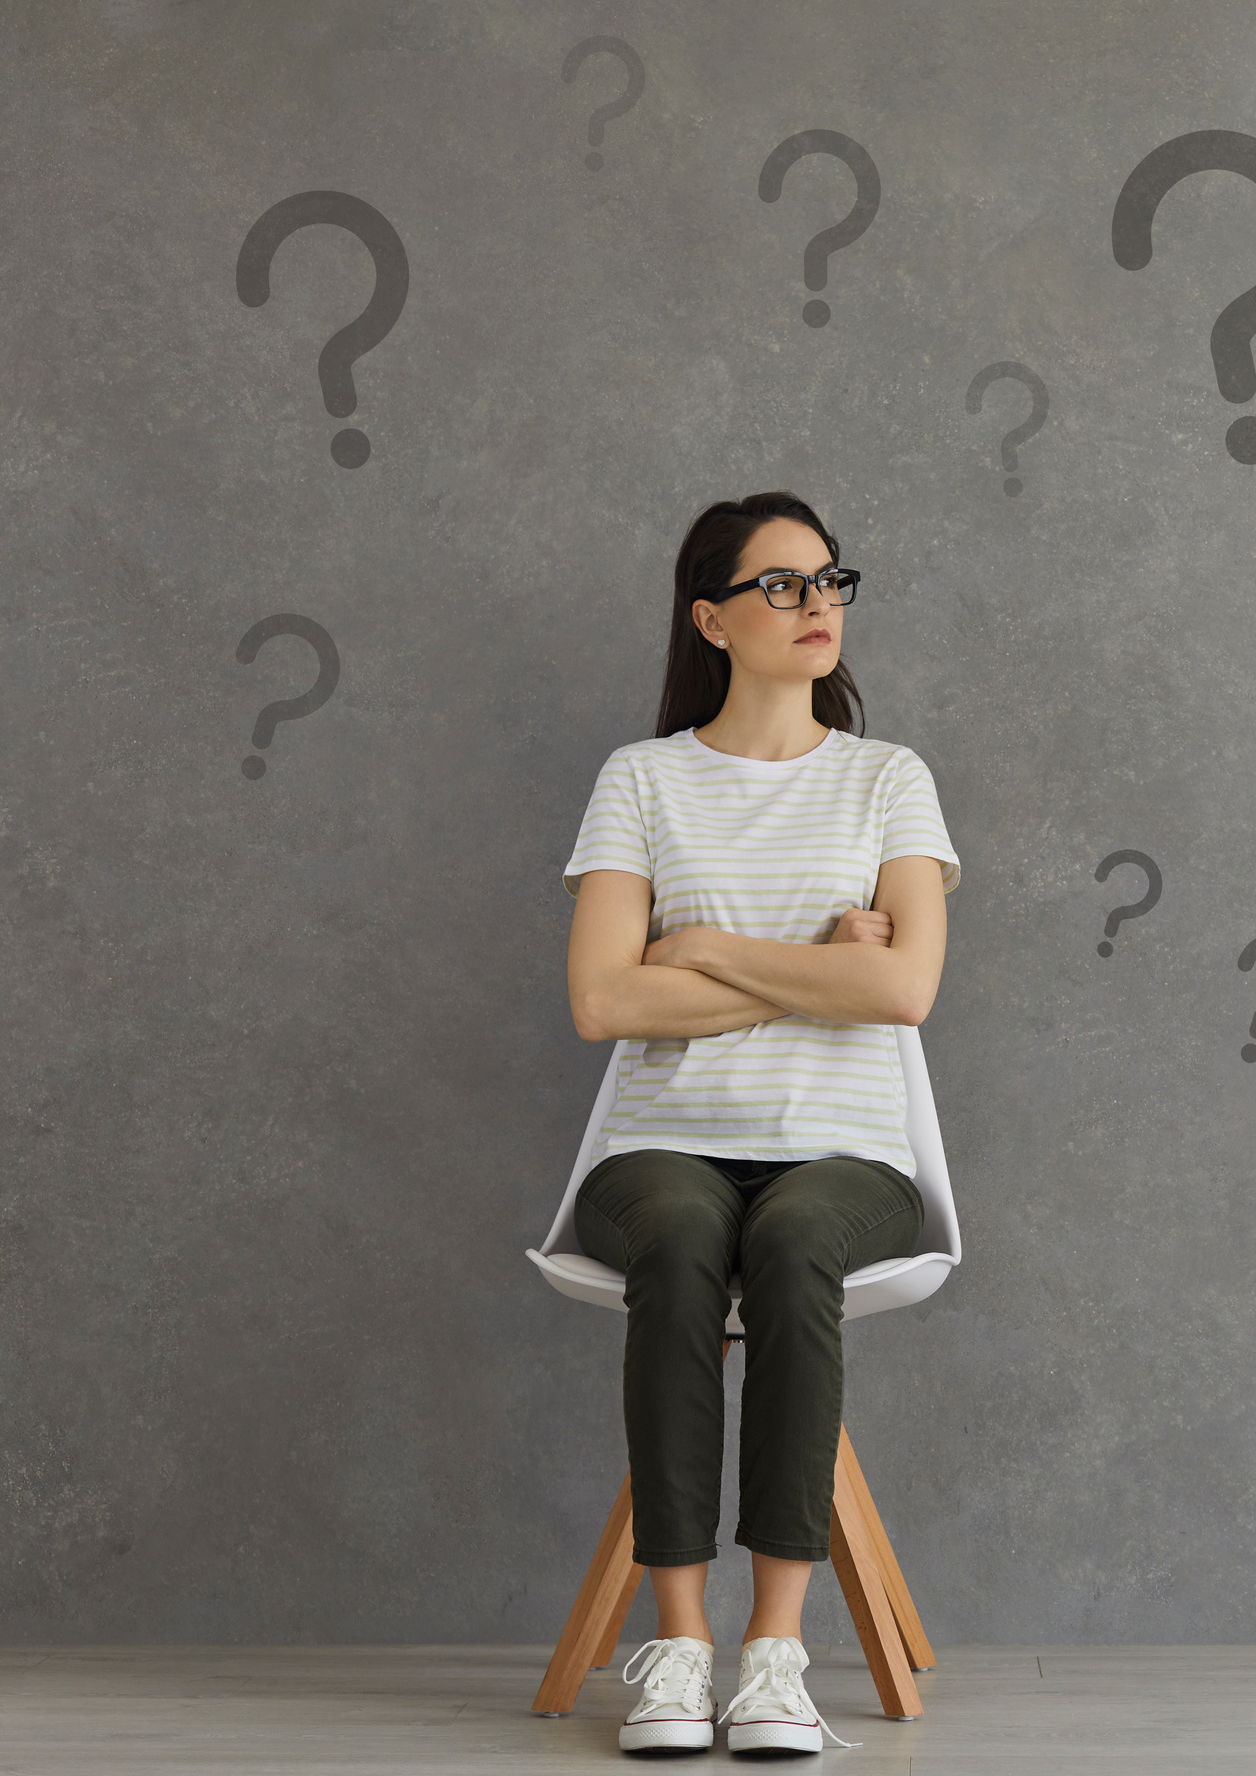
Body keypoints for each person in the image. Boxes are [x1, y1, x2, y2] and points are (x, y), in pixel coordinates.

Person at [560, 491, 959, 1755]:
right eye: (782, 585)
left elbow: (901, 989)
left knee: (792, 1246)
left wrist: (711, 952)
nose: (818, 604)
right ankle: (677, 1653)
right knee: (680, 1237)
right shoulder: (644, 779)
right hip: (658, 1149)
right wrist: (810, 969)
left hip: (849, 1160)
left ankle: (773, 1658)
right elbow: (600, 1000)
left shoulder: (888, 781)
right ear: (712, 618)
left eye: (831, 580)